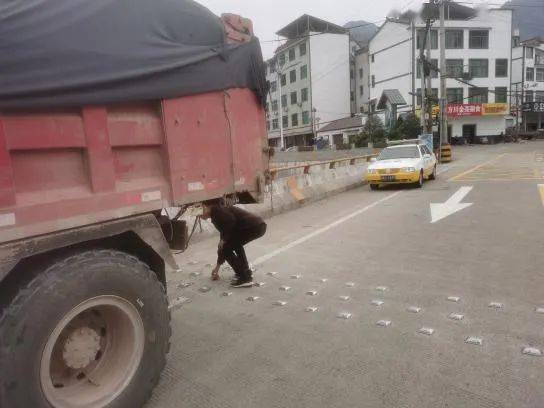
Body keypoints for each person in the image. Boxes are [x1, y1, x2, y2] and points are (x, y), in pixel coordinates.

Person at [201, 199, 267, 287]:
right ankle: (246, 272)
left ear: (206, 207)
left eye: (200, 211)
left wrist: (224, 240)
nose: (200, 215)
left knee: (226, 248)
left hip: (253, 227)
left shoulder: (217, 212)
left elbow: (231, 222)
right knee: (233, 245)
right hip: (257, 225)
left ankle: (244, 278)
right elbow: (223, 236)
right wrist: (217, 267)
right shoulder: (217, 211)